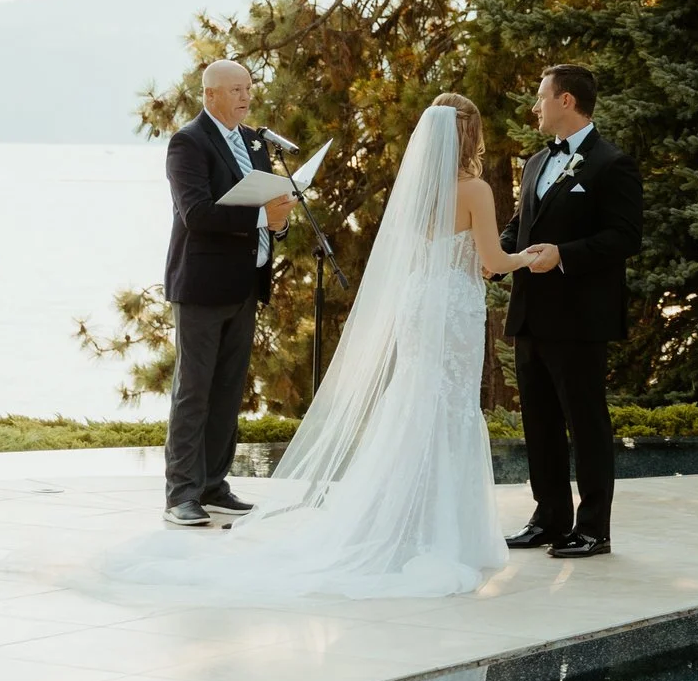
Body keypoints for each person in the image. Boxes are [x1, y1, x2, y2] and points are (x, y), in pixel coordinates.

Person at [100, 97, 519, 598]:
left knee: (414, 403)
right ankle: (442, 530)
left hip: (419, 302)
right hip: (451, 307)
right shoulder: (475, 190)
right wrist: (531, 257)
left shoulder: (421, 190)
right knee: (449, 407)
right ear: (470, 134)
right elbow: (493, 259)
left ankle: (401, 522)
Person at [501, 64, 643, 559]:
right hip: (530, 314)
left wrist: (563, 254)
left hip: (581, 319)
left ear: (566, 100)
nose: (534, 106)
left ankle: (594, 528)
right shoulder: (536, 162)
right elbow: (519, 224)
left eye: (541, 97)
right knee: (539, 424)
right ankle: (550, 518)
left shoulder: (613, 164)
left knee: (586, 425)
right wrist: (497, 258)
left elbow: (625, 237)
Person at [159, 59, 292, 528]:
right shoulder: (188, 142)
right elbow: (196, 213)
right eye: (235, 90)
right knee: (193, 392)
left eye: (248, 89)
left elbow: (266, 207)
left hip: (245, 284)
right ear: (209, 94)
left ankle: (214, 486)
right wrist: (262, 218)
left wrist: (280, 220)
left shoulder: (255, 142)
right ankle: (181, 494)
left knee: (228, 391)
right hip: (201, 286)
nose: (245, 97)